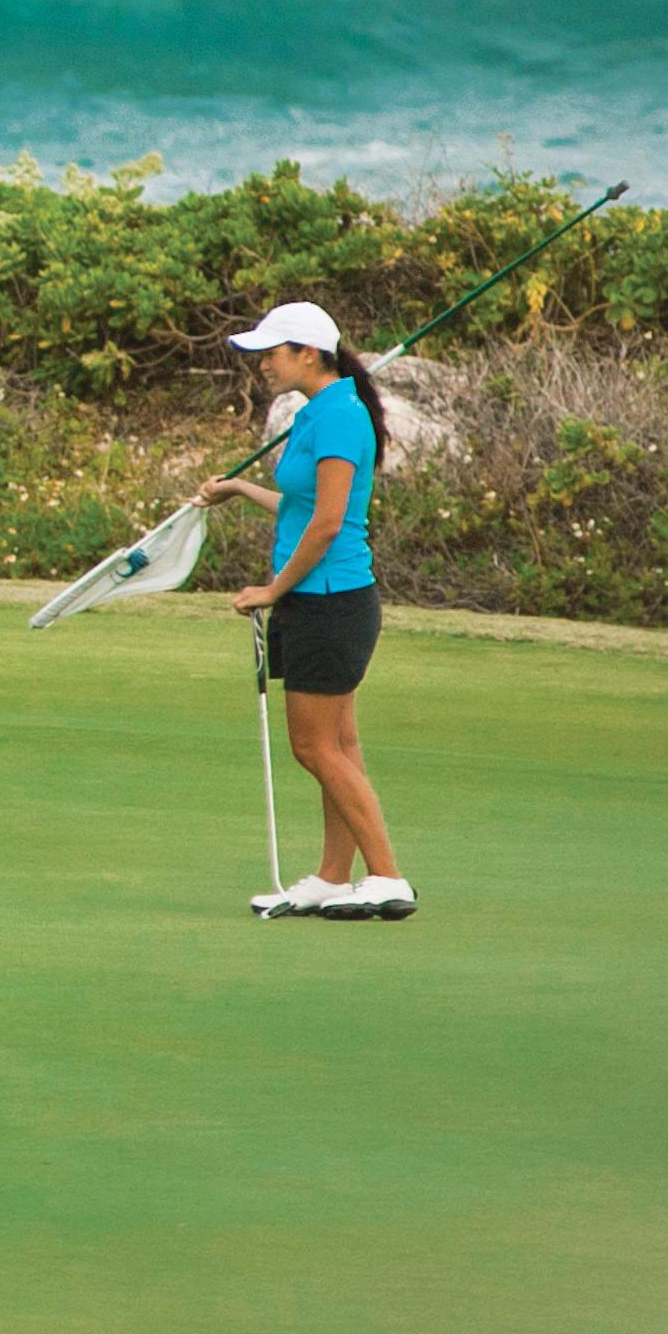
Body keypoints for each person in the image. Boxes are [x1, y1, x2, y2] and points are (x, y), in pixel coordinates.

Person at [197, 300, 414, 921]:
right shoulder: (322, 411)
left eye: (272, 352)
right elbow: (300, 507)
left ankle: (388, 877)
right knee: (338, 747)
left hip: (329, 602)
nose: (262, 363)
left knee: (315, 748)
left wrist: (271, 590)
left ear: (308, 354)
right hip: (321, 601)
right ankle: (331, 877)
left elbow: (326, 524)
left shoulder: (340, 419)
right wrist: (239, 489)